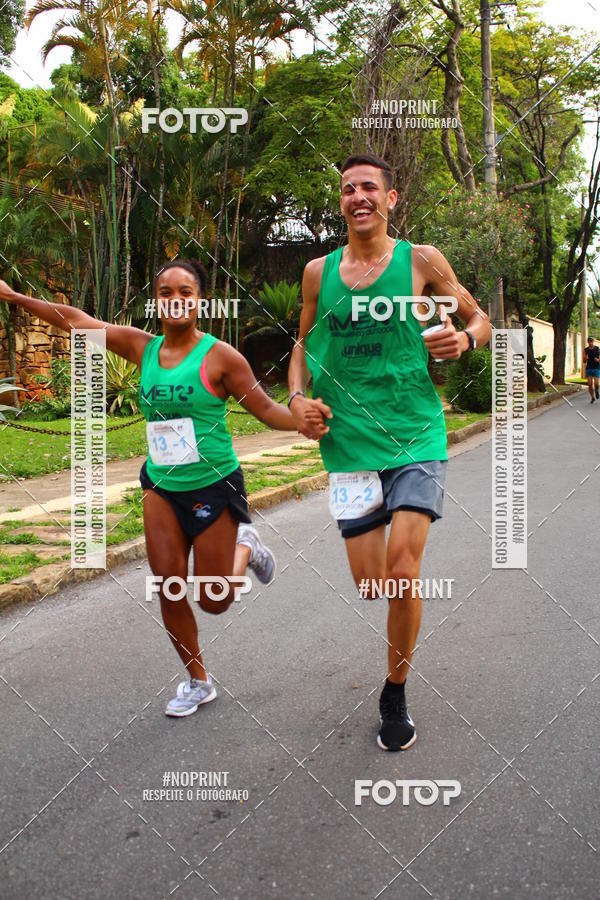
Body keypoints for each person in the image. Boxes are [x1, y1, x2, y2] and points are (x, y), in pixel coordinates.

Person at [0, 261, 327, 717]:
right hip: (160, 485)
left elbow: (267, 410)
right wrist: (15, 297)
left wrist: (302, 419)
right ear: (156, 300)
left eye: (185, 292)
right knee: (170, 586)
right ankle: (198, 681)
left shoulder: (221, 358)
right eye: (165, 291)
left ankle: (246, 547)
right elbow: (75, 320)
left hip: (214, 484)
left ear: (200, 301)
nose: (175, 299)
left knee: (215, 600)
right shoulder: (143, 348)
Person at [288, 154, 492, 751]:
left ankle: (395, 690)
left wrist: (465, 339)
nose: (358, 196)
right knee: (372, 583)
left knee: (403, 573)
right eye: (348, 188)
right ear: (342, 200)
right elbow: (302, 345)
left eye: (369, 187)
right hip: (348, 442)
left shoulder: (421, 261)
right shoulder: (317, 272)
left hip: (415, 432)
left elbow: (479, 318)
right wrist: (296, 397)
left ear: (390, 198)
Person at [583, 336, 600, 404]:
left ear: (593, 342)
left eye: (591, 341)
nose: (591, 343)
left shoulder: (597, 349)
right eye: (589, 342)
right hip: (589, 368)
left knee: (596, 384)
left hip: (596, 368)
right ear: (588, 342)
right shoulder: (586, 350)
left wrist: (598, 360)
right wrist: (585, 358)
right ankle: (592, 397)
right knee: (590, 384)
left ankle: (596, 391)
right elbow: (584, 361)